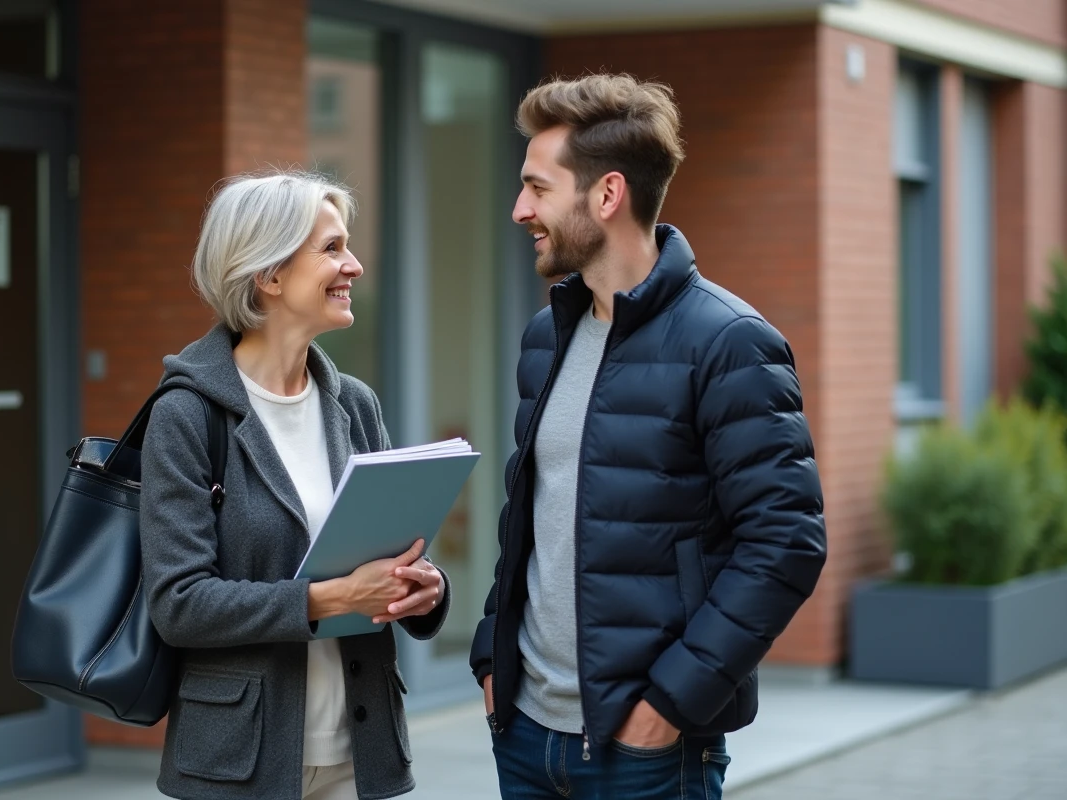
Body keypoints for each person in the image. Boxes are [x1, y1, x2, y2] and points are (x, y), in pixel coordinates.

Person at [470, 73, 827, 799]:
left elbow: (786, 540)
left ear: (606, 196)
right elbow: (533, 517)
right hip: (526, 735)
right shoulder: (547, 337)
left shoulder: (729, 342)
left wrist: (670, 704)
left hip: (645, 753)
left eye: (538, 188)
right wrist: (490, 656)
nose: (520, 210)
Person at [140, 171, 449, 800]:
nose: (354, 265)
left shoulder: (355, 405)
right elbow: (179, 603)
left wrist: (425, 587)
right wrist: (328, 599)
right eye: (331, 248)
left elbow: (390, 555)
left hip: (359, 752)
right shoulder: (187, 413)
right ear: (269, 274)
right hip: (238, 763)